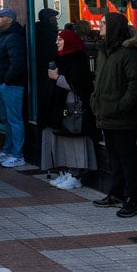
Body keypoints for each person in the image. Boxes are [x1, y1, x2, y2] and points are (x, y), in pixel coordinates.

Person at [91, 12, 137, 217]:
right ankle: (116, 193)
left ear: (113, 27)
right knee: (114, 157)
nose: (100, 26)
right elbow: (99, 79)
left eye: (104, 23)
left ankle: (132, 199)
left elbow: (135, 84)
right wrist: (95, 101)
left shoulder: (128, 52)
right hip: (106, 113)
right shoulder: (104, 50)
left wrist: (121, 106)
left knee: (128, 159)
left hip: (121, 116)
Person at [40, 29, 97, 189]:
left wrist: (57, 78)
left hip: (73, 110)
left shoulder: (77, 60)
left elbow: (79, 86)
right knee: (60, 141)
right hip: (58, 109)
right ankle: (65, 171)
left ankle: (75, 174)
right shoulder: (59, 58)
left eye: (60, 39)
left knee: (74, 142)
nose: (57, 42)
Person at [0, 7, 27, 167]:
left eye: (1, 16)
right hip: (2, 84)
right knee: (7, 119)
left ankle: (17, 154)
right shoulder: (2, 37)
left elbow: (17, 63)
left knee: (14, 120)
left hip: (10, 85)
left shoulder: (12, 38)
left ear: (10, 19)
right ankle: (8, 150)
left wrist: (5, 81)